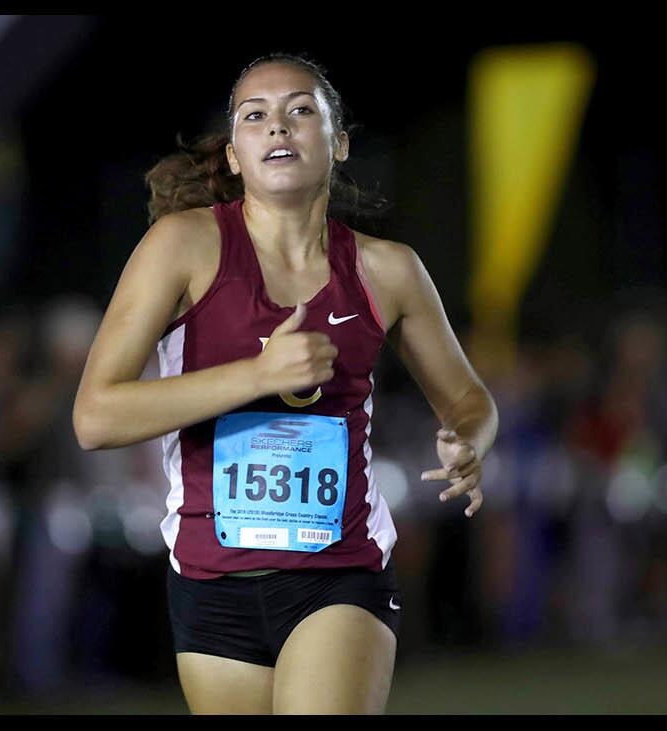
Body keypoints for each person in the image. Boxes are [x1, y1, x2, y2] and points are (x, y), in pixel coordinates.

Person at [73, 53, 498, 714]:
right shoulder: (180, 247)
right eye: (255, 116)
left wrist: (468, 438)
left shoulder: (389, 270)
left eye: (301, 110)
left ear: (339, 143)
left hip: (340, 572)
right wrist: (256, 375)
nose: (278, 127)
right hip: (211, 582)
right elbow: (95, 416)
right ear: (236, 154)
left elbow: (469, 399)